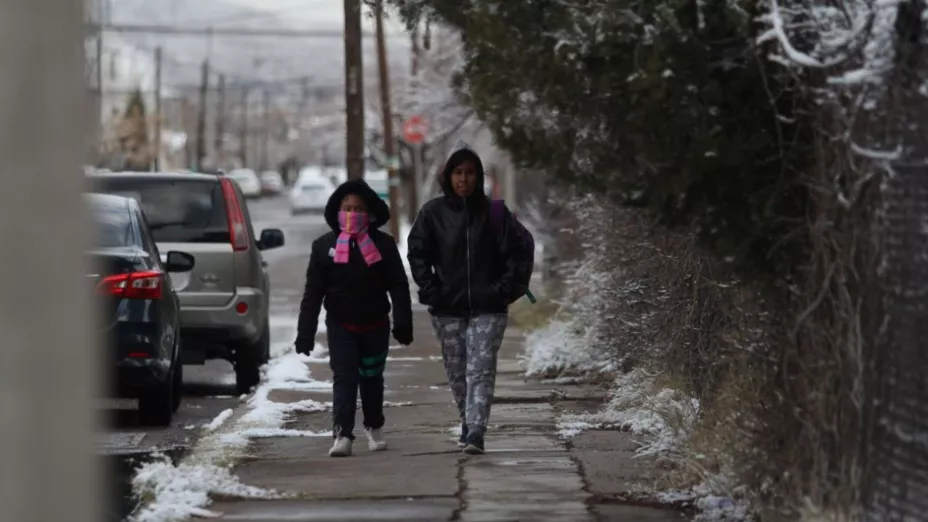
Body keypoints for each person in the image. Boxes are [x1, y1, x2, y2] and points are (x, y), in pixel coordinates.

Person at [406, 141, 531, 455]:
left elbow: (518, 255)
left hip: (489, 308)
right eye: (458, 173)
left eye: (471, 173)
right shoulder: (432, 214)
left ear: (479, 177)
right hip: (447, 309)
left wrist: (502, 290)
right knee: (458, 370)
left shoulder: (495, 213)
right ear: (448, 176)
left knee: (482, 367)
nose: (464, 179)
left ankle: (476, 431)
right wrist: (432, 290)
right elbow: (417, 252)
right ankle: (467, 422)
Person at [295, 178, 413, 458]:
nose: (351, 214)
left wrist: (403, 322)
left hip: (375, 324)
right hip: (340, 324)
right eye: (346, 208)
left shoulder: (382, 245)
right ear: (337, 212)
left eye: (358, 208)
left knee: (372, 378)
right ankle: (342, 433)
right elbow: (313, 293)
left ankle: (374, 425)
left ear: (369, 213)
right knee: (345, 377)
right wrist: (305, 332)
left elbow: (398, 284)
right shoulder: (324, 246)